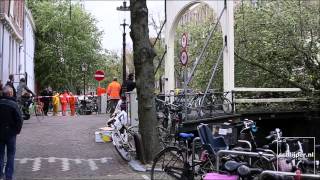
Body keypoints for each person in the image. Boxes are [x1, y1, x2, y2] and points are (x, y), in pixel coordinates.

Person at [0, 86, 23, 180]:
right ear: (10, 94)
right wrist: (17, 130)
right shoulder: (14, 105)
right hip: (11, 133)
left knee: (0, 154)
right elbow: (19, 119)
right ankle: (8, 176)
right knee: (11, 154)